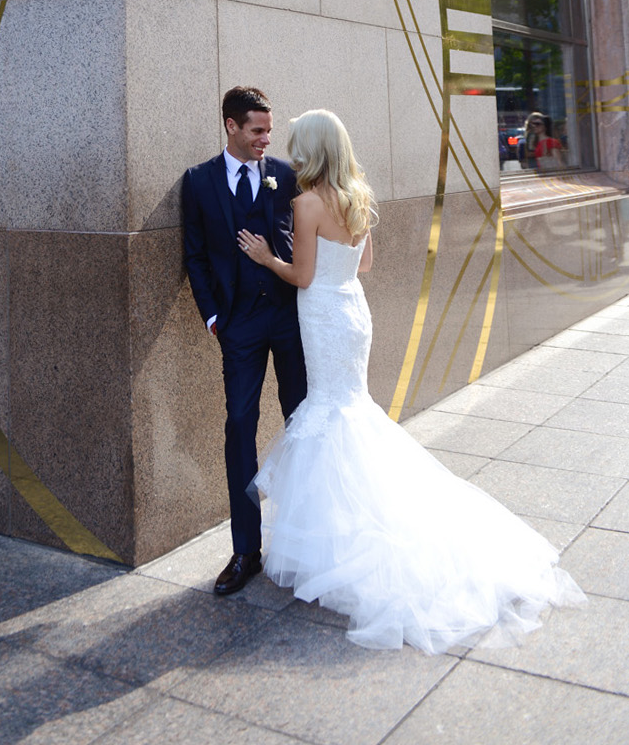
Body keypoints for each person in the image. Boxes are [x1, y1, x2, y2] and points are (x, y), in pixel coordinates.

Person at [238, 108, 584, 653]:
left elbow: (303, 276)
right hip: (353, 311)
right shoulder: (356, 195)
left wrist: (266, 258)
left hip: (325, 314)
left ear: (313, 149)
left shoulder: (305, 204)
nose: (292, 151)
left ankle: (342, 542)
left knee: (332, 413)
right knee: (350, 408)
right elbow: (366, 264)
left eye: (298, 143)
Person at [182, 86, 307, 596]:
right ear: (230, 126)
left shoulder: (286, 175)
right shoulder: (199, 182)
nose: (265, 139)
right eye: (257, 130)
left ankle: (306, 542)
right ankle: (245, 550)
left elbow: (306, 239)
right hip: (237, 326)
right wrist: (214, 317)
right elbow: (193, 254)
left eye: (268, 131)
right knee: (239, 426)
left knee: (303, 421)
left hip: (289, 319)